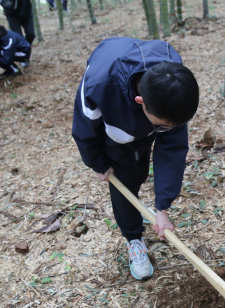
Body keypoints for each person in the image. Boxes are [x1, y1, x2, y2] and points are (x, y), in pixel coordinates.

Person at [72, 37, 199, 280]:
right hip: (116, 121)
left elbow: (172, 148)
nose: (167, 129)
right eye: (162, 125)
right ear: (140, 101)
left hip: (145, 115)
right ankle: (133, 237)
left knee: (139, 171)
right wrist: (97, 162)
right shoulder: (100, 84)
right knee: (125, 181)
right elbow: (84, 127)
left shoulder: (173, 81)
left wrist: (162, 207)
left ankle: (145, 206)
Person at [1, 0, 35, 66]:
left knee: (31, 34)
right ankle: (22, 58)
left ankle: (24, 51)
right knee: (18, 37)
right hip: (12, 14)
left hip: (27, 12)